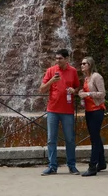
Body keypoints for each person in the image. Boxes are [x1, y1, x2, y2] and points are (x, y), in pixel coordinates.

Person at [40, 48, 80, 176]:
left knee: (70, 139)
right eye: (56, 58)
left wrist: (74, 91)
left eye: (60, 58)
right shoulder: (51, 71)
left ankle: (72, 166)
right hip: (52, 110)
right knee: (51, 139)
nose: (58, 61)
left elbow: (77, 86)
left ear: (67, 59)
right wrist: (52, 81)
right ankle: (52, 166)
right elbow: (42, 89)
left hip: (67, 111)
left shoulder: (73, 71)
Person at [78, 56, 106, 176]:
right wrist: (81, 95)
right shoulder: (86, 79)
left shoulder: (96, 76)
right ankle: (102, 163)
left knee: (94, 139)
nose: (82, 65)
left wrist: (87, 93)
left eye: (84, 63)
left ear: (90, 65)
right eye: (81, 63)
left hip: (97, 110)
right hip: (89, 111)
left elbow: (102, 93)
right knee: (95, 137)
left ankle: (92, 167)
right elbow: (87, 95)